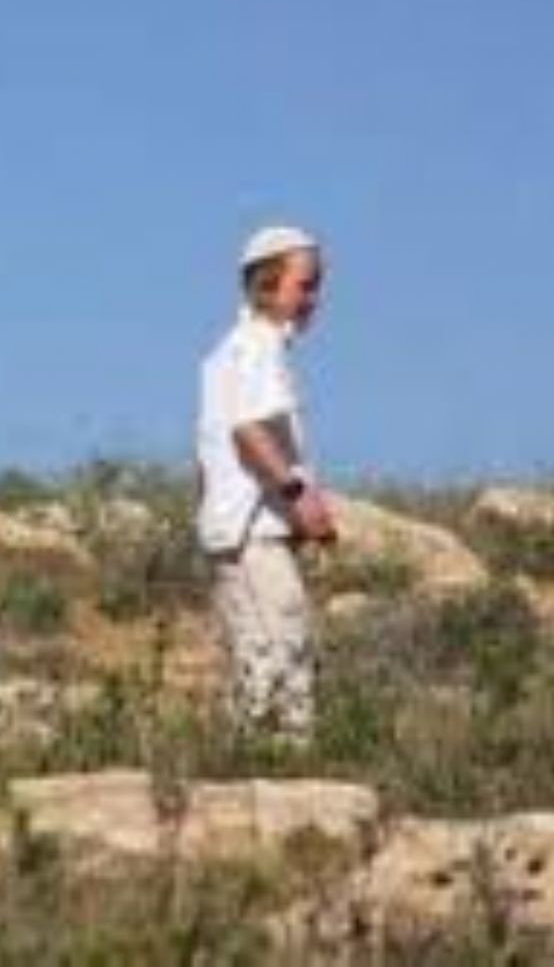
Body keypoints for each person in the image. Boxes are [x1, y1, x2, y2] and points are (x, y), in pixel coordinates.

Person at [196, 225, 337, 742]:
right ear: (267, 285)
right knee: (287, 648)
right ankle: (294, 762)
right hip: (256, 532)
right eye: (305, 285)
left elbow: (208, 453)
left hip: (232, 531)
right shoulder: (260, 345)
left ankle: (248, 763)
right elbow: (248, 431)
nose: (313, 298)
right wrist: (300, 497)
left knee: (254, 662)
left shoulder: (225, 352)